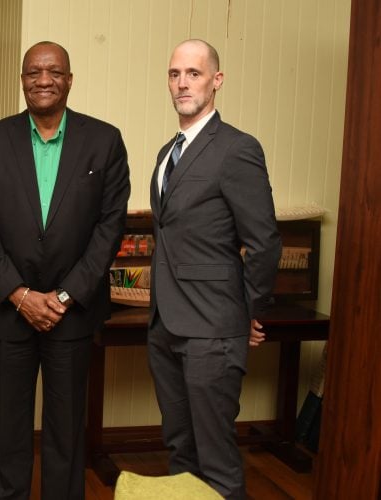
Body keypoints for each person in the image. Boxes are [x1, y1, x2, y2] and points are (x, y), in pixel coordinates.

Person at [0, 41, 131, 499]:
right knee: (9, 429)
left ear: (70, 80)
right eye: (33, 72)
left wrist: (63, 296)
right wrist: (18, 294)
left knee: (66, 431)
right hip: (8, 312)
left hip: (72, 314)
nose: (43, 80)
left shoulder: (105, 140)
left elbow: (109, 227)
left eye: (54, 72)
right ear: (22, 80)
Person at [147, 39, 282, 499]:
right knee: (180, 450)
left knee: (216, 459)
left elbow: (264, 242)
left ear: (216, 80)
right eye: (174, 74)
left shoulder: (237, 149)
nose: (182, 83)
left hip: (213, 330)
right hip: (165, 327)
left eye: (194, 73)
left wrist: (246, 313)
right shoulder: (167, 152)